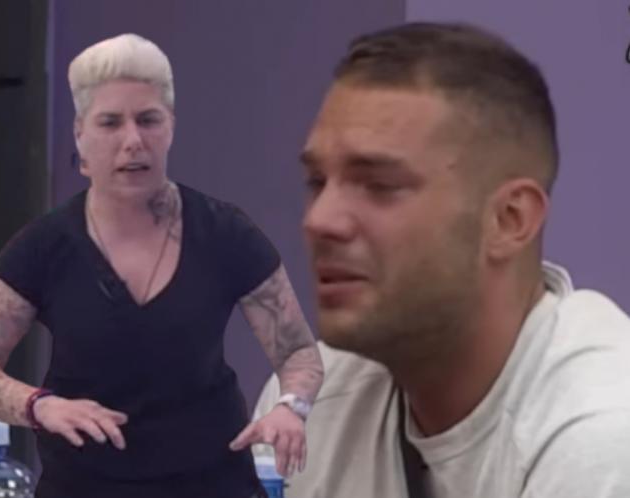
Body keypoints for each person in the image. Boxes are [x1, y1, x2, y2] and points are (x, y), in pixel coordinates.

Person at [254, 22, 630, 498]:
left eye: (379, 186)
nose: (319, 221)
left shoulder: (604, 434)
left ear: (509, 219)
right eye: (316, 182)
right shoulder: (309, 403)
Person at [0, 33, 323, 498]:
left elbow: (297, 351)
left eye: (148, 120)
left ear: (171, 128)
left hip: (212, 485)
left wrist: (290, 407)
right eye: (110, 123)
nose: (133, 141)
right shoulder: (44, 246)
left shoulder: (224, 232)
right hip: (82, 487)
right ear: (81, 136)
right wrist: (39, 406)